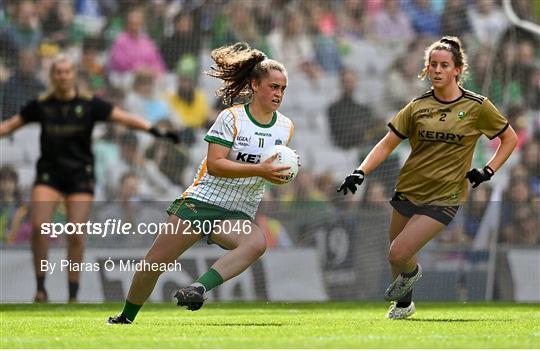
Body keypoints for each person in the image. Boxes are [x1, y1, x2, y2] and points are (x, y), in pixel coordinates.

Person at [107, 42, 295, 324]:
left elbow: (271, 169)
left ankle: (198, 288)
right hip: (202, 202)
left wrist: (280, 174)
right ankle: (125, 317)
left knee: (256, 242)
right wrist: (260, 170)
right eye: (272, 86)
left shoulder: (286, 127)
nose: (278, 93)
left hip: (237, 211)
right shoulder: (230, 118)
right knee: (153, 264)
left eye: (282, 88)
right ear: (255, 85)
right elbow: (216, 164)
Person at [337, 36, 517, 319]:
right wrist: (360, 171)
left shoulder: (477, 106)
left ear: (457, 69)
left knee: (397, 254)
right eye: (432, 64)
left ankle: (413, 275)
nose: (436, 69)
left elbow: (509, 138)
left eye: (444, 65)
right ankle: (405, 305)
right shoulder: (417, 105)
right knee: (397, 256)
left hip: (445, 196)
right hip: (407, 190)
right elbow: (386, 144)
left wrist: (488, 170)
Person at [0, 54, 180, 303]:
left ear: (73, 75)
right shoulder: (41, 105)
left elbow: (124, 118)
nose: (62, 76)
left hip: (79, 175)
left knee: (76, 233)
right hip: (49, 175)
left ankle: (73, 294)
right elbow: (9, 127)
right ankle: (40, 288)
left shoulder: (89, 104)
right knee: (40, 227)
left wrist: (153, 130)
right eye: (58, 72)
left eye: (67, 71)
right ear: (53, 77)